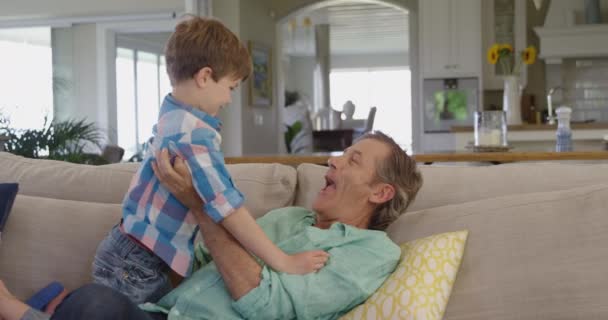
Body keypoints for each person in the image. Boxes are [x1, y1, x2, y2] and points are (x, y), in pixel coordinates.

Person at [0, 131, 423, 320]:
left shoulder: (372, 252)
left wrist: (202, 207)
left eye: (353, 160)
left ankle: (17, 311)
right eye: (342, 153)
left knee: (90, 307)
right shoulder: (289, 218)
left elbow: (267, 306)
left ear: (380, 193)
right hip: (162, 312)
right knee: (98, 303)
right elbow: (201, 255)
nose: (333, 160)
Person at [91, 16, 329, 306]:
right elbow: (228, 209)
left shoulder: (172, 117)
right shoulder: (193, 136)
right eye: (230, 87)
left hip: (130, 254)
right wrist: (284, 262)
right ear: (205, 77)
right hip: (136, 265)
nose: (229, 99)